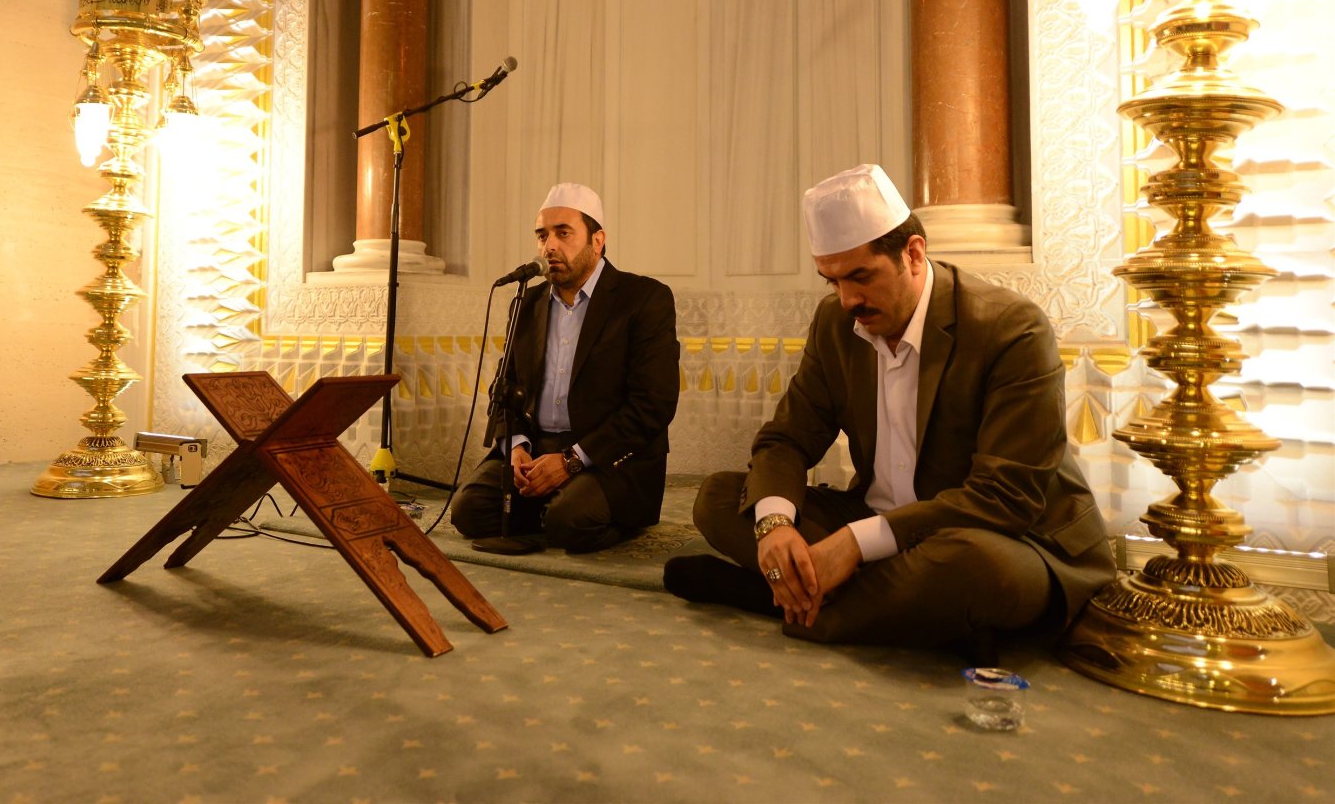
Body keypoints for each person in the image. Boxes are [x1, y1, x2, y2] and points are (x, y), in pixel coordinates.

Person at [664, 164, 1114, 656]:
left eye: (861, 276)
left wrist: (856, 543)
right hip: (881, 521)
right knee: (721, 497)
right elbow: (786, 440)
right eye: (832, 281)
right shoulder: (836, 324)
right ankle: (899, 610)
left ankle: (779, 601)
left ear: (913, 254)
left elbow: (1005, 499)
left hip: (1003, 536)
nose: (848, 299)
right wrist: (776, 526)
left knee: (973, 567)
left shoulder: (1010, 328)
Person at [451, 183, 680, 555]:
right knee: (468, 511)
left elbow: (654, 404)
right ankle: (549, 505)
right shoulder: (528, 302)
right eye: (542, 235)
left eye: (563, 233)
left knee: (569, 523)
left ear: (597, 241)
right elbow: (505, 387)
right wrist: (516, 448)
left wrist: (571, 461)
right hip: (537, 448)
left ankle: (564, 511)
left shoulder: (643, 299)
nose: (549, 246)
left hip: (606, 456)